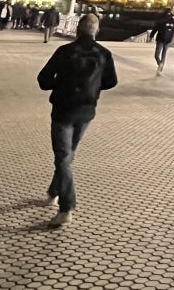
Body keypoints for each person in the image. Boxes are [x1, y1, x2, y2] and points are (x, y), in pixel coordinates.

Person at [36, 13, 118, 228]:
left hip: (63, 110)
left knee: (63, 158)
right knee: (67, 156)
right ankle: (55, 191)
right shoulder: (104, 54)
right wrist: (93, 87)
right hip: (86, 112)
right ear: (96, 30)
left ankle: (66, 207)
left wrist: (62, 84)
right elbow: (111, 81)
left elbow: (43, 80)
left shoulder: (64, 52)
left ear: (77, 29)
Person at [148, 7, 174, 75]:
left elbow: (155, 29)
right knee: (163, 55)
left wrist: (151, 37)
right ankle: (160, 68)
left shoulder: (160, 21)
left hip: (160, 39)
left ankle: (159, 64)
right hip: (168, 40)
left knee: (156, 55)